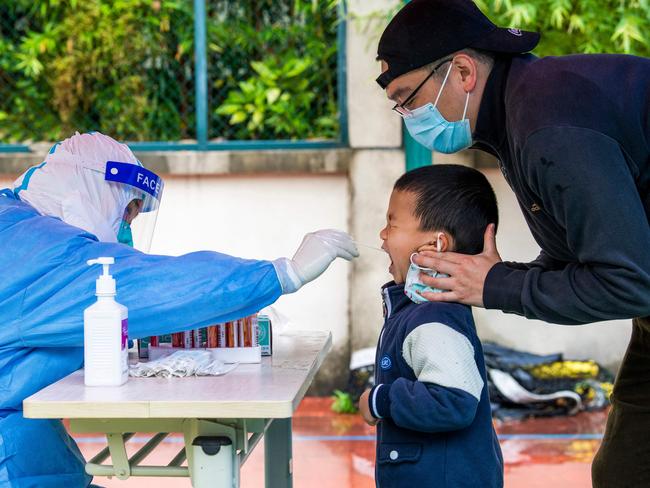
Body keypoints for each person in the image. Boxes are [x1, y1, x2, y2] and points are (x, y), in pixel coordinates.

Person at [375, 0, 650, 485]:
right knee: (624, 470)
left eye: (408, 97)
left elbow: (630, 282)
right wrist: (495, 279)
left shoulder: (550, 123)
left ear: (461, 71)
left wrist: (496, 286)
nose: (407, 115)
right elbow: (582, 264)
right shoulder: (516, 118)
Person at [0, 131, 358, 487]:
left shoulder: (18, 222)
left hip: (26, 442)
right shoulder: (42, 253)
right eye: (125, 212)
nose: (125, 230)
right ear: (89, 191)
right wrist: (281, 274)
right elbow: (151, 286)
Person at [358, 164, 503, 488]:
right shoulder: (420, 312)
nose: (382, 235)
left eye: (392, 224)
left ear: (435, 246)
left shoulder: (432, 320)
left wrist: (380, 400)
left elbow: (453, 400)